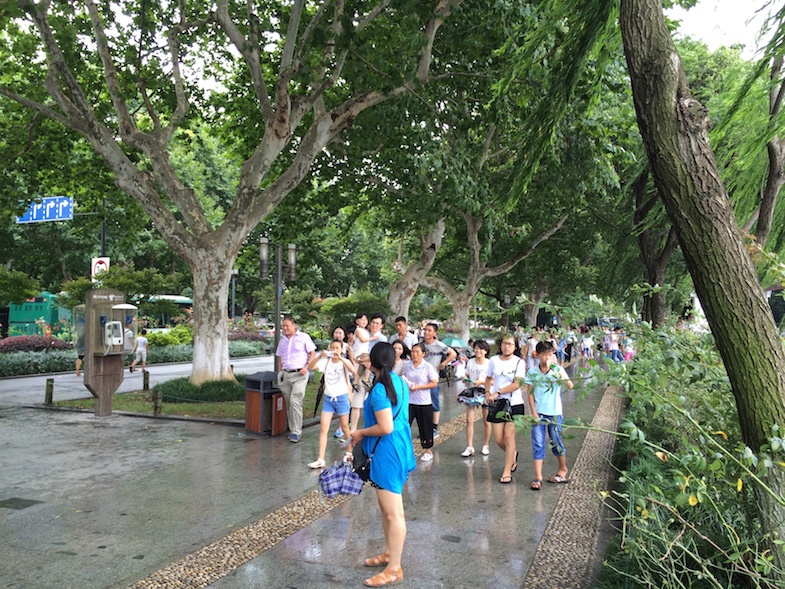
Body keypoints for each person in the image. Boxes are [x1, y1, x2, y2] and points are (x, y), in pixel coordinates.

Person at [347, 342, 416, 587]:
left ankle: (395, 568)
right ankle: (389, 553)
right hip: (398, 447)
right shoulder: (398, 381)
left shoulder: (379, 390)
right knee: (387, 509)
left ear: (374, 362)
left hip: (387, 452)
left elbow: (385, 427)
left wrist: (360, 433)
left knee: (394, 513)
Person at [523, 340, 574, 491]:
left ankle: (562, 468)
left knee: (556, 441)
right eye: (544, 354)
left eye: (550, 354)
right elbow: (530, 393)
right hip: (538, 412)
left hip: (555, 412)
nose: (548, 357)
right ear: (537, 355)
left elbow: (570, 386)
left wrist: (558, 373)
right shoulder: (532, 372)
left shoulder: (557, 369)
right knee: (538, 444)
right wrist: (533, 412)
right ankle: (538, 477)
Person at [305, 339, 356, 468]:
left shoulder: (344, 362)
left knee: (345, 426)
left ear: (341, 350)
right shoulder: (326, 362)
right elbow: (310, 367)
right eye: (332, 348)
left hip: (342, 398)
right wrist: (319, 356)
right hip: (328, 398)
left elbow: (353, 370)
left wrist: (342, 358)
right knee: (324, 428)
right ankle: (321, 458)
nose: (334, 350)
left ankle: (349, 452)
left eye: (337, 348)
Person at [484, 334, 527, 484]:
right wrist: (487, 392)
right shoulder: (493, 361)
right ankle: (513, 454)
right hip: (498, 404)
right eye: (504, 343)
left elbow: (517, 384)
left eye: (509, 344)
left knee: (509, 437)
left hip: (514, 403)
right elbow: (488, 378)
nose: (506, 346)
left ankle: (507, 471)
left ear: (515, 347)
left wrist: (498, 392)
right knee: (498, 439)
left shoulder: (519, 362)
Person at [275, 315, 316, 443]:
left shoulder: (303, 337)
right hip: (286, 375)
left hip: (300, 374)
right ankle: (292, 427)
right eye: (283, 326)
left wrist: (307, 367)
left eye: (287, 325)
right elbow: (280, 357)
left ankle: (296, 431)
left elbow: (312, 352)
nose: (285, 328)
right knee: (289, 402)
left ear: (294, 325)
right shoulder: (282, 341)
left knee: (295, 401)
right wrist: (280, 372)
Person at [401, 343, 439, 462]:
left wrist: (419, 387)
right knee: (405, 425)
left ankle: (428, 450)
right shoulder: (407, 366)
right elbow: (403, 378)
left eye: (417, 352)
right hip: (409, 401)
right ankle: (405, 448)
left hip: (423, 401)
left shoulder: (427, 366)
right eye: (413, 351)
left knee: (425, 427)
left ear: (423, 354)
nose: (414, 354)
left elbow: (434, 383)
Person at [421, 323, 456, 438]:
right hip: (420, 379)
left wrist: (444, 363)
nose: (426, 332)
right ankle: (425, 428)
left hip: (433, 379)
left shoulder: (439, 345)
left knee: (434, 404)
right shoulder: (420, 345)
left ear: (434, 333)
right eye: (425, 330)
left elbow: (453, 353)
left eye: (429, 330)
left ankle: (434, 428)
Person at [460, 340, 492, 457]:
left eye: (481, 349)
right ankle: (469, 446)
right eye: (476, 348)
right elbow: (467, 374)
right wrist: (465, 378)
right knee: (469, 419)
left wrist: (482, 382)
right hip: (472, 392)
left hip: (486, 392)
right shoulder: (471, 362)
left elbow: (493, 381)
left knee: (486, 420)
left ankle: (486, 445)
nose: (478, 351)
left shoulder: (489, 363)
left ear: (486, 351)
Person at [351, 353, 373, 434]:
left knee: (373, 405)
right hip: (362, 381)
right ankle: (353, 429)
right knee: (356, 405)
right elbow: (356, 359)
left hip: (372, 381)